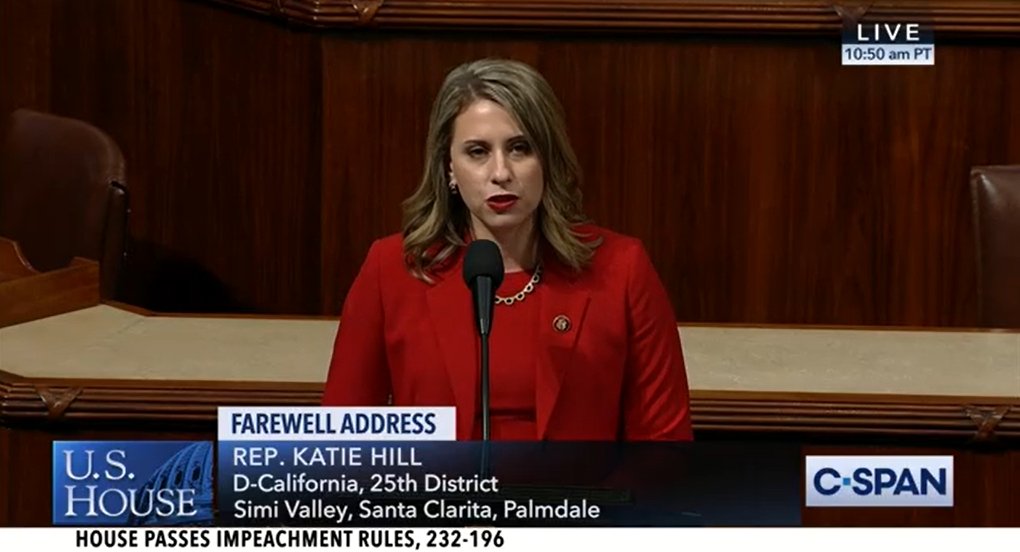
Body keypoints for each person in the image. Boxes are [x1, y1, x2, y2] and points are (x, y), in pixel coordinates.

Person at [322, 58, 692, 442]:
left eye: (519, 148)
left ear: (547, 159)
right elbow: (342, 439)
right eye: (477, 152)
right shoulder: (393, 269)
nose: (501, 173)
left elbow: (663, 444)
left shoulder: (621, 269)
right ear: (449, 167)